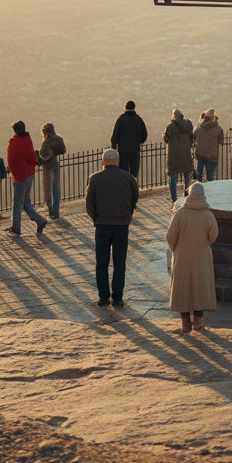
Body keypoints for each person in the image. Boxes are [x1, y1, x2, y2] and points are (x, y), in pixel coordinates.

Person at [86, 148, 139, 307]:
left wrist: (95, 218)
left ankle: (103, 298)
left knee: (101, 263)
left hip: (102, 225)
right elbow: (134, 199)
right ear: (118, 161)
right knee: (119, 263)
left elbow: (89, 204)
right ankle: (118, 297)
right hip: (121, 225)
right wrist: (127, 215)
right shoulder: (129, 179)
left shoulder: (94, 179)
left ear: (103, 161)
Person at [165, 181, 219, 333]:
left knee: (183, 288)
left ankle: (185, 323)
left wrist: (176, 248)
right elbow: (213, 236)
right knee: (199, 288)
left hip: (182, 256)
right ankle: (199, 322)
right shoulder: (208, 215)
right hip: (202, 256)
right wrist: (203, 244)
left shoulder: (180, 214)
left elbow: (170, 236)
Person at [6, 120, 47, 237]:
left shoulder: (13, 142)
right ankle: (39, 221)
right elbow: (30, 157)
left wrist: (15, 174)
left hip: (20, 177)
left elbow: (11, 161)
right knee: (25, 201)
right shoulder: (27, 140)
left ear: (15, 131)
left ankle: (16, 228)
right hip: (29, 174)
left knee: (18, 204)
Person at [163, 109, 195, 202]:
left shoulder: (170, 126)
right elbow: (191, 138)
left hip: (174, 156)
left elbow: (165, 138)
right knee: (187, 178)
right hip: (186, 155)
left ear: (174, 116)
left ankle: (174, 198)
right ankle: (186, 196)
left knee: (173, 179)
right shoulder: (188, 125)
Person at [111, 100, 148, 180]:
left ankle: (125, 188)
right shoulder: (138, 119)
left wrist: (114, 149)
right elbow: (144, 134)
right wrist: (139, 141)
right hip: (135, 149)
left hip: (123, 150)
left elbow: (114, 136)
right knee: (134, 173)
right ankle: (133, 188)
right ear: (134, 108)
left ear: (125, 108)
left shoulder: (120, 119)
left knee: (124, 171)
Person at [37, 122, 67, 219]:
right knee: (56, 189)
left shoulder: (46, 142)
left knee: (47, 189)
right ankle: (56, 212)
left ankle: (50, 210)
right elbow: (63, 150)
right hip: (56, 165)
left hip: (47, 167)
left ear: (45, 132)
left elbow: (43, 155)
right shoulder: (59, 139)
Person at [193, 109, 224, 182]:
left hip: (200, 154)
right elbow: (221, 141)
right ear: (214, 117)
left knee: (198, 176)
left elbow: (193, 136)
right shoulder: (219, 129)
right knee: (210, 178)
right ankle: (209, 191)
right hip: (211, 156)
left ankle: (198, 190)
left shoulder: (199, 126)